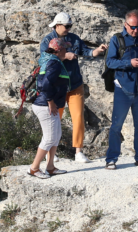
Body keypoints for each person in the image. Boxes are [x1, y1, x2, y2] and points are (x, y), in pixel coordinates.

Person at [39, 12, 107, 163]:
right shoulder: (47, 41)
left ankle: (78, 152)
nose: (69, 28)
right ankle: (51, 153)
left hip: (75, 84)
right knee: (55, 120)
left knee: (78, 118)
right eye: (67, 26)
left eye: (70, 26)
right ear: (57, 25)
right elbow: (43, 60)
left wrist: (97, 51)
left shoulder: (74, 39)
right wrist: (64, 56)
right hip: (58, 87)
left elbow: (86, 51)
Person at [104, 10, 138, 170]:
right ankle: (111, 159)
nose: (136, 30)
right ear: (125, 25)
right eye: (133, 27)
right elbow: (110, 62)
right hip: (122, 88)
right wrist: (129, 63)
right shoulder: (117, 40)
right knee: (116, 126)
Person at [28, 38, 71, 178]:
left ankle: (50, 166)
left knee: (56, 136)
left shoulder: (49, 60)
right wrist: (50, 101)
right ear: (59, 50)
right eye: (65, 49)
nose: (67, 51)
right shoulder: (55, 63)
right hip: (45, 105)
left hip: (47, 104)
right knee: (49, 138)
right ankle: (34, 168)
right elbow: (45, 85)